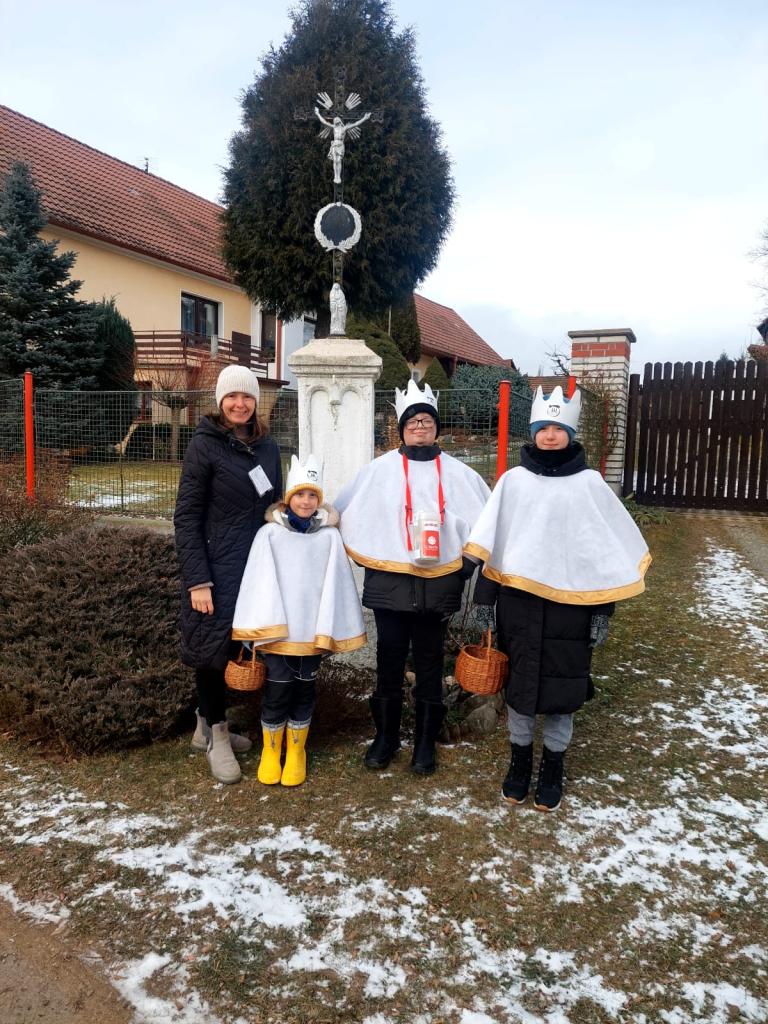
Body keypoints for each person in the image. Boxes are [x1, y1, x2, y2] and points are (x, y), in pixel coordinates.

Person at [465, 385, 650, 811]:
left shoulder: (590, 485)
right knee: (521, 687)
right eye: (543, 428)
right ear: (533, 432)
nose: (550, 436)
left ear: (570, 432)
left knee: (563, 689)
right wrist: (484, 602)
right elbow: (494, 544)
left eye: (558, 428)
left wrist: (602, 611)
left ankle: (553, 765)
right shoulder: (513, 482)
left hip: (573, 609)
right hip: (520, 605)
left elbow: (603, 554)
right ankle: (519, 762)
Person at [335, 380, 491, 776]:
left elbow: (485, 522)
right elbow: (347, 512)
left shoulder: (459, 474)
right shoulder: (378, 471)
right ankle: (385, 737)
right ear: (402, 428)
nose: (420, 427)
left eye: (426, 420)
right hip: (390, 585)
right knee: (388, 660)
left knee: (430, 662)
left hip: (439, 584)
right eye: (412, 421)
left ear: (436, 426)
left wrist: (466, 564)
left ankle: (425, 741)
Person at [174, 364, 282, 785]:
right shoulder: (205, 446)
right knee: (210, 653)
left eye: (247, 396)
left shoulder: (267, 447)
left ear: (256, 401)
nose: (240, 404)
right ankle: (216, 736)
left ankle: (204, 727)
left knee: (236, 648)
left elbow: (274, 503)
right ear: (220, 402)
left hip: (255, 568)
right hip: (215, 571)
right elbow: (186, 517)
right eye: (232, 397)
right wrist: (197, 580)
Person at [231, 455, 366, 787]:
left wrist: (331, 626)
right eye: (300, 495)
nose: (306, 502)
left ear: (319, 500)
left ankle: (296, 752)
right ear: (288, 498)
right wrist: (258, 624)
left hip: (311, 632)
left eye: (312, 496)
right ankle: (270, 751)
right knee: (277, 691)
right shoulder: (270, 534)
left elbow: (336, 582)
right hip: (280, 632)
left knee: (305, 691)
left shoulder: (329, 537)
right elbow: (259, 581)